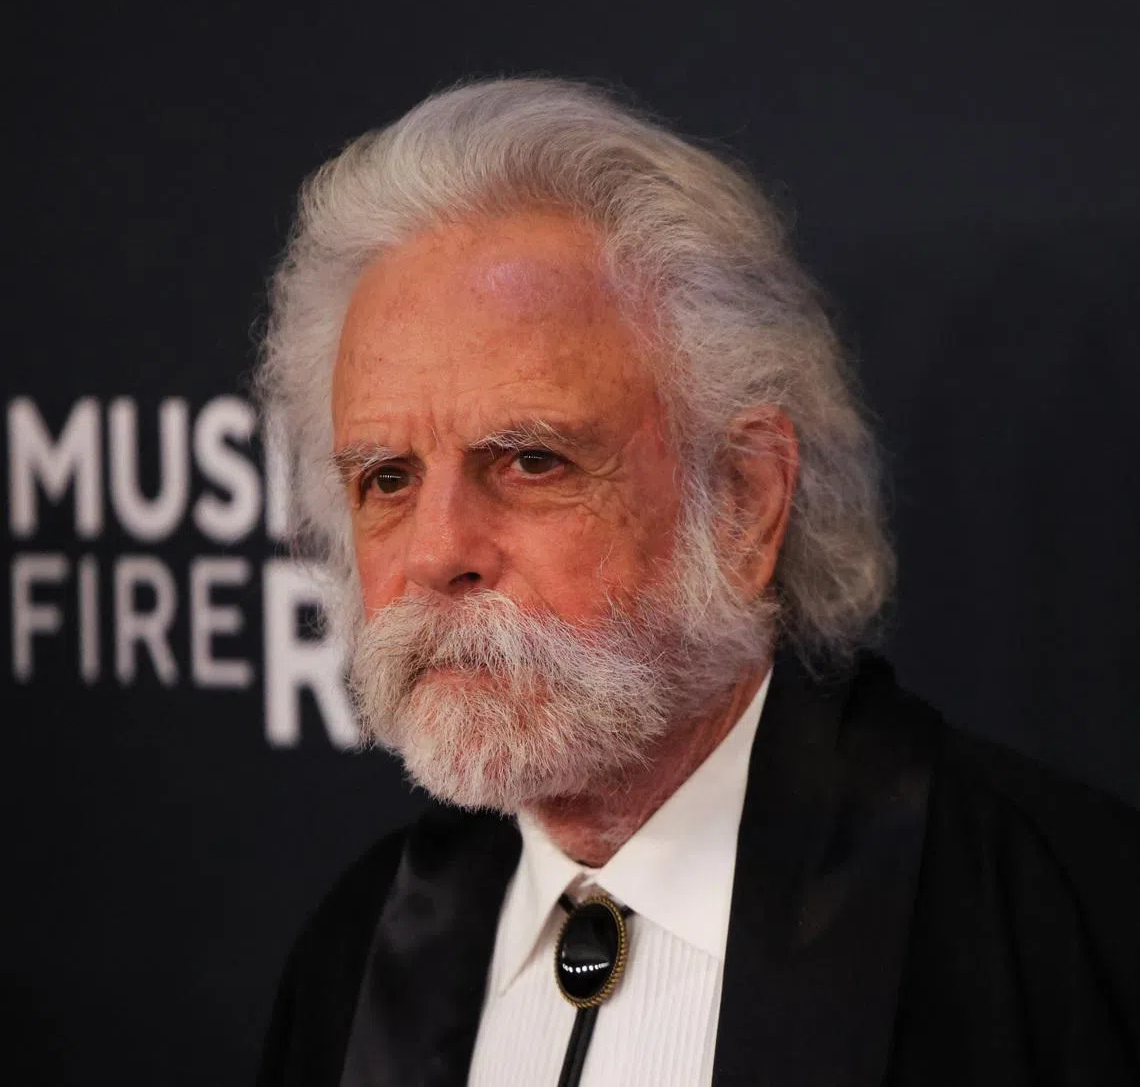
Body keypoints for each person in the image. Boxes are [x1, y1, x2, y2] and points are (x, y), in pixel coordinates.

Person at [254, 78, 1140, 1087]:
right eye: (387, 479)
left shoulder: (1055, 934)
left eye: (532, 460)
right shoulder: (356, 954)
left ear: (745, 498)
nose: (435, 552)